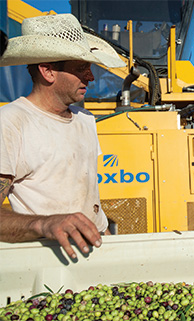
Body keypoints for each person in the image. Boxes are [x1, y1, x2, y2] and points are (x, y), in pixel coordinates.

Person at [0, 14, 126, 258]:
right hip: (50, 261)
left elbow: (89, 202)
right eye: (81, 68)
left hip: (94, 249)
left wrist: (108, 244)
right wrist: (44, 224)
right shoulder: (11, 123)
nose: (90, 77)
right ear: (48, 71)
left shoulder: (85, 119)